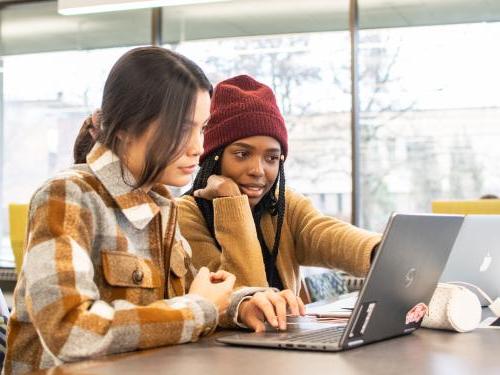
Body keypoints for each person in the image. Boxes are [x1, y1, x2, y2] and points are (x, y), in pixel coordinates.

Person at [3, 50, 302, 375]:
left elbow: (192, 294)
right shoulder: (67, 196)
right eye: (182, 129)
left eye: (202, 129)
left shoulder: (161, 205)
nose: (198, 147)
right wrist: (199, 309)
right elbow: (70, 332)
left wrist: (242, 304)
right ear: (126, 128)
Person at [177, 74, 381, 296]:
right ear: (214, 156)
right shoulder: (184, 216)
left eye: (272, 158)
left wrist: (381, 250)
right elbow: (246, 295)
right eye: (242, 154)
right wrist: (231, 202)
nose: (258, 170)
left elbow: (326, 236)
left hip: (287, 331)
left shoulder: (281, 204)